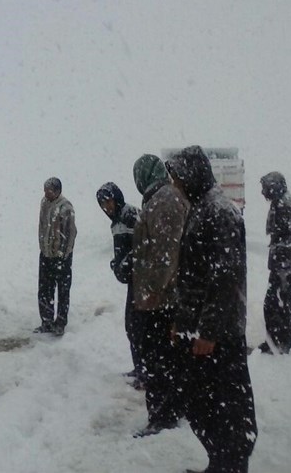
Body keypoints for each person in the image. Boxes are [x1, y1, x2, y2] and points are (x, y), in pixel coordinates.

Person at [166, 146, 257, 473]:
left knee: (226, 409)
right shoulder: (202, 206)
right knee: (201, 404)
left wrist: (208, 331)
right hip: (200, 329)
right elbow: (193, 276)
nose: (174, 184)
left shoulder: (219, 211)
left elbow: (224, 279)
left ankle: (230, 465)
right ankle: (219, 463)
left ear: (191, 175)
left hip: (219, 336)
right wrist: (182, 321)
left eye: (176, 177)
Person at [130, 154, 189, 437]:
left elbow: (166, 252)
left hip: (162, 300)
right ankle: (170, 409)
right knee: (165, 358)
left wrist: (152, 290)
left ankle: (163, 416)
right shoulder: (162, 198)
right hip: (165, 297)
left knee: (159, 359)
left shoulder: (164, 201)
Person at [96, 182, 142, 381]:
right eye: (102, 204)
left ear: (117, 198)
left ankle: (145, 371)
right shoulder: (116, 222)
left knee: (138, 327)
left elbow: (143, 246)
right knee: (131, 326)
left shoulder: (129, 215)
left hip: (142, 281)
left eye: (108, 202)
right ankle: (139, 367)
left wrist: (125, 264)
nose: (106, 207)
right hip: (133, 280)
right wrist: (117, 263)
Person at [258, 171, 291, 354]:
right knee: (276, 303)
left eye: (265, 189)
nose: (263, 193)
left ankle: (281, 342)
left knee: (279, 303)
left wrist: (280, 251)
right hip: (282, 264)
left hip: (288, 265)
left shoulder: (289, 205)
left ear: (274, 187)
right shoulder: (279, 203)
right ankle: (275, 340)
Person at [36, 177, 77, 336]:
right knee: (44, 289)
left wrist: (63, 254)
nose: (46, 193)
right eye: (45, 190)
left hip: (62, 258)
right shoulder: (44, 203)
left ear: (58, 191)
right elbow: (41, 225)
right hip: (46, 254)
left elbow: (71, 233)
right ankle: (46, 321)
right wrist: (43, 247)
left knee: (62, 291)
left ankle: (60, 323)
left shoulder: (66, 208)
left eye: (50, 190)